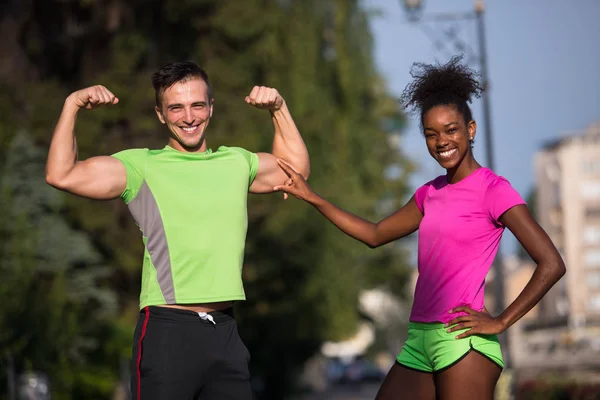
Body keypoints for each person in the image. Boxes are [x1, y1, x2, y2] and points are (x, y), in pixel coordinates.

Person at [272, 56, 566, 400]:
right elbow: (374, 235)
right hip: (419, 338)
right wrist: (313, 197)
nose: (442, 141)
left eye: (452, 130)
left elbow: (551, 263)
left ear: (470, 130)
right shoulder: (429, 193)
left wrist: (501, 321)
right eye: (431, 134)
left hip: (462, 342)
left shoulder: (493, 189)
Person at [45, 61, 310, 400]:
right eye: (176, 107)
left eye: (198, 105)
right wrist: (73, 105)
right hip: (167, 334)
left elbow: (297, 173)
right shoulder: (140, 166)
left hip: (225, 333)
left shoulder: (237, 162)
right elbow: (61, 174)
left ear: (211, 108)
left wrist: (279, 109)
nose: (189, 117)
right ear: (160, 114)